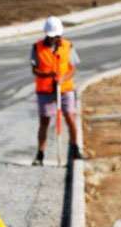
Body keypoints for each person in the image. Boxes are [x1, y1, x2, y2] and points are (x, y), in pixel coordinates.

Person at [30, 16, 84, 165]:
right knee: (44, 122)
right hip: (45, 90)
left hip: (65, 89)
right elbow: (35, 70)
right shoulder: (37, 47)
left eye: (57, 35)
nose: (55, 38)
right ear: (46, 34)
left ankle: (75, 149)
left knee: (70, 117)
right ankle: (40, 154)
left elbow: (73, 69)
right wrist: (48, 75)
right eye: (52, 36)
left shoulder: (68, 46)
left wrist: (63, 78)